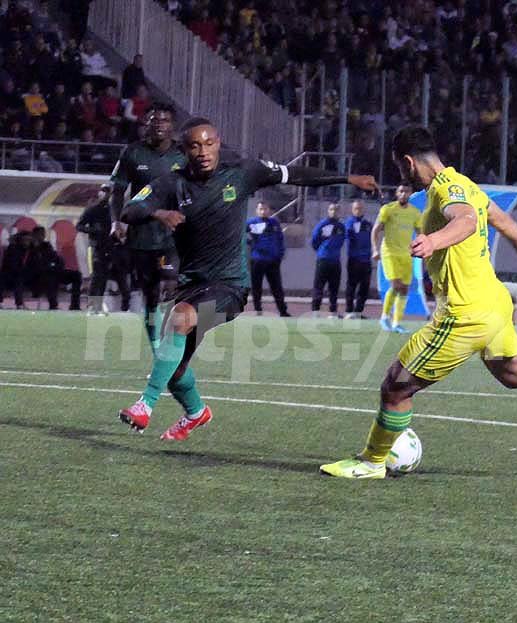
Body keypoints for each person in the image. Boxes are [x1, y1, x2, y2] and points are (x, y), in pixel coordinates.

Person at [320, 125, 517, 479]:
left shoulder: (445, 189)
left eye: (399, 167)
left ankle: (371, 462)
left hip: (464, 314)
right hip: (494, 303)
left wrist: (434, 241)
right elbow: (495, 216)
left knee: (395, 386)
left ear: (408, 162)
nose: (402, 176)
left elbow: (468, 221)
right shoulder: (465, 184)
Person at [117, 116, 375, 439]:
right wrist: (159, 212)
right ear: (184, 150)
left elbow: (294, 174)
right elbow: (129, 210)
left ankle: (145, 405)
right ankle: (196, 412)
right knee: (173, 369)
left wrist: (348, 177)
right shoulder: (172, 184)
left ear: (218, 143)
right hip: (192, 287)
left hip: (231, 288)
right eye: (195, 145)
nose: (203, 151)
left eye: (209, 143)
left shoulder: (242, 173)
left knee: (180, 320)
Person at [109, 102, 183, 345]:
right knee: (150, 297)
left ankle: (175, 347)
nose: (159, 124)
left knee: (171, 285)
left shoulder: (183, 155)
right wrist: (115, 222)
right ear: (146, 124)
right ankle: (157, 349)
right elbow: (117, 192)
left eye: (165, 120)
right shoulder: (132, 153)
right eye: (154, 120)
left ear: (172, 126)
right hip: (141, 235)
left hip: (174, 235)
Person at [373, 184, 420, 333]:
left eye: (406, 191)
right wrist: (374, 249)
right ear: (396, 193)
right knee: (396, 285)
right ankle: (384, 317)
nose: (403, 194)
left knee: (404, 289)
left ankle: (396, 323)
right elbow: (375, 230)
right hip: (390, 253)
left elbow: (420, 232)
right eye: (401, 191)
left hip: (406, 254)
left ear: (410, 193)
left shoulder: (415, 212)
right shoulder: (388, 209)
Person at [79, 183, 130, 315]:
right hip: (97, 247)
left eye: (108, 192)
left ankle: (121, 307)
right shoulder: (93, 210)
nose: (106, 194)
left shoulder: (114, 210)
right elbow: (79, 226)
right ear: (99, 193)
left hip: (113, 247)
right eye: (104, 191)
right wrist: (94, 230)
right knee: (97, 278)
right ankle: (93, 307)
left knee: (116, 277)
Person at [245, 201, 289, 316]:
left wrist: (280, 254)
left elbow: (280, 239)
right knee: (256, 286)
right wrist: (248, 241)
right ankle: (258, 309)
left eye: (265, 209)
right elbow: (240, 234)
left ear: (269, 210)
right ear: (257, 210)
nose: (263, 211)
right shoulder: (251, 222)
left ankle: (283, 311)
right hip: (257, 260)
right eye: (261, 209)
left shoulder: (274, 223)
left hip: (272, 261)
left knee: (277, 287)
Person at [28, 227, 81, 311]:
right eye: (40, 234)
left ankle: (75, 305)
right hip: (38, 276)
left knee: (76, 275)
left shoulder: (46, 246)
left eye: (43, 234)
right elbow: (32, 264)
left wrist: (57, 266)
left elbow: (56, 258)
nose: (42, 236)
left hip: (54, 271)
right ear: (34, 235)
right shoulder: (29, 248)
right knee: (49, 277)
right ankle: (53, 305)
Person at [310, 202, 346, 316]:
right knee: (319, 286)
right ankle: (315, 311)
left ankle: (333, 311)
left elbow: (341, 241)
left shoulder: (341, 227)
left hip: (335, 261)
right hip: (323, 260)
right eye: (331, 209)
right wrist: (322, 251)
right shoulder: (322, 225)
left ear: (339, 212)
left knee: (334, 288)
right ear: (328, 211)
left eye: (336, 210)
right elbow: (314, 241)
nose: (334, 212)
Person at [344, 200, 373, 319]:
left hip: (366, 260)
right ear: (352, 210)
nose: (358, 210)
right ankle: (349, 311)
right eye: (356, 208)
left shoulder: (368, 224)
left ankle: (358, 311)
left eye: (360, 208)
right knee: (351, 285)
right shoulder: (349, 223)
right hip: (354, 260)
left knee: (364, 287)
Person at [0, 231, 31, 308]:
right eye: (25, 239)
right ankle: (19, 304)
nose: (27, 242)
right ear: (20, 240)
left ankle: (19, 303)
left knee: (19, 279)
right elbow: (10, 264)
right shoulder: (13, 248)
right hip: (11, 274)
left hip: (28, 274)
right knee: (5, 278)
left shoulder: (32, 249)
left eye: (28, 240)